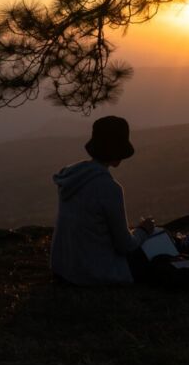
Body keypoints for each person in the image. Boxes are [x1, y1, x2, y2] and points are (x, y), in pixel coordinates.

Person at [50, 115, 155, 285]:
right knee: (155, 250)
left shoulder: (70, 176)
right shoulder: (109, 188)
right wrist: (143, 230)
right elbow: (125, 245)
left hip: (63, 268)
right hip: (92, 272)